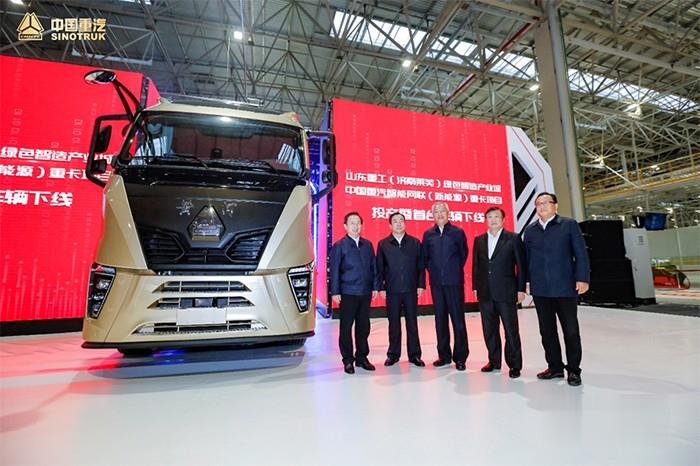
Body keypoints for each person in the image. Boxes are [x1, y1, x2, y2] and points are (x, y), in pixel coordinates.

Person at [523, 192, 590, 387]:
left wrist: (582, 278)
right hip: (541, 289)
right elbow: (527, 260)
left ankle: (574, 370)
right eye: (538, 203)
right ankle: (555, 367)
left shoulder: (568, 225)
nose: (542, 206)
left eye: (546, 202)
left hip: (565, 287)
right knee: (547, 331)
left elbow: (580, 253)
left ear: (556, 206)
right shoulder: (531, 230)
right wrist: (527, 281)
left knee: (570, 331)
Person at [472, 207, 526, 379]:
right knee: (489, 330)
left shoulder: (513, 238)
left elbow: (521, 266)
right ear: (485, 220)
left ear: (503, 219)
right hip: (485, 292)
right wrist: (475, 287)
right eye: (489, 217)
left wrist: (521, 289)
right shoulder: (479, 240)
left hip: (506, 292)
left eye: (496, 216)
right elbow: (476, 266)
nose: (493, 219)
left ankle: (514, 365)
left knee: (511, 330)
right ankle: (494, 361)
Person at [330, 212, 379, 375]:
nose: (355, 226)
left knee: (363, 327)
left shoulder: (367, 245)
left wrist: (375, 286)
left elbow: (373, 267)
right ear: (345, 226)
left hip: (365, 292)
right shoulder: (339, 245)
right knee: (346, 328)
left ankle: (362, 358)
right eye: (352, 223)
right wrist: (335, 291)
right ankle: (348, 360)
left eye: (358, 223)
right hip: (347, 293)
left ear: (361, 225)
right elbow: (334, 270)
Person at [422, 202, 469, 371]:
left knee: (458, 320)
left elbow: (463, 254)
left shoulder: (457, 232)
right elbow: (426, 258)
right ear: (432, 215)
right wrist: (436, 271)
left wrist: (451, 270)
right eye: (436, 212)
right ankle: (444, 356)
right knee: (440, 320)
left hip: (454, 282)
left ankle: (460, 357)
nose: (440, 214)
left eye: (442, 211)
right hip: (436, 284)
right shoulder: (428, 234)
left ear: (448, 213)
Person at [376, 212, 426, 367]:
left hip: (411, 289)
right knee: (393, 324)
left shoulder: (415, 243)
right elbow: (380, 268)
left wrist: (421, 284)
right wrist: (381, 287)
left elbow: (420, 266)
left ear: (405, 223)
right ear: (390, 225)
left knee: (412, 323)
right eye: (395, 221)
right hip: (392, 290)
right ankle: (393, 354)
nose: (398, 223)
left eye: (401, 221)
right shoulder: (383, 244)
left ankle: (415, 355)